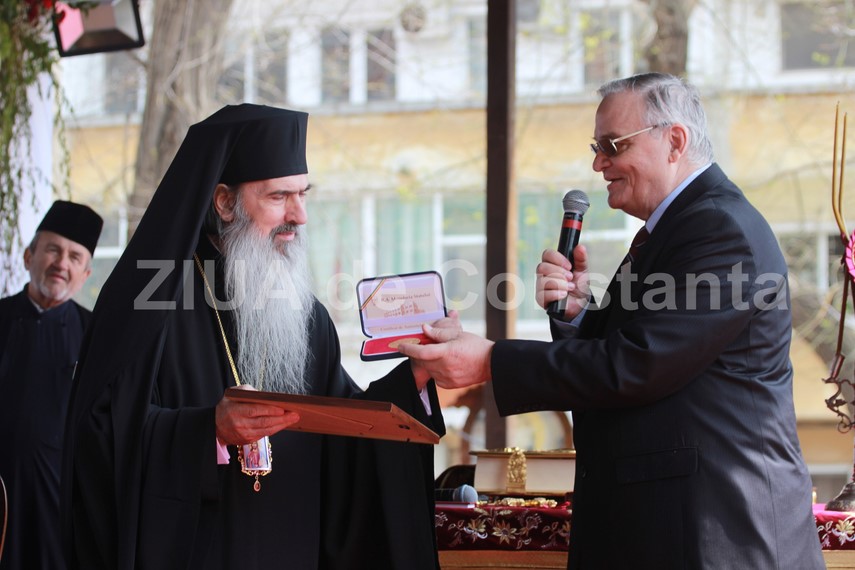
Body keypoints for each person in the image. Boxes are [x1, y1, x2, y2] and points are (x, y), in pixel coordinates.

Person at [400, 73, 825, 569]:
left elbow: (637, 365)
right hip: (665, 527)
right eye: (596, 147)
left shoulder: (718, 229)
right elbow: (639, 351)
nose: (598, 163)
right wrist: (579, 315)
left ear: (675, 141)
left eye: (613, 145)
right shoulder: (676, 227)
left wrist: (491, 360)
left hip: (715, 532)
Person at [60, 105, 451, 569]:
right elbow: (99, 438)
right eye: (279, 196)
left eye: (303, 194)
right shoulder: (147, 301)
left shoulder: (306, 316)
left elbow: (347, 440)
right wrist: (208, 431)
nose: (299, 215)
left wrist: (415, 378)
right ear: (224, 202)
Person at [0, 200, 103, 570]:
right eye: (53, 250)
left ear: (85, 274)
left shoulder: (96, 339)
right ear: (29, 256)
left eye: (75, 257)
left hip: (59, 512)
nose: (62, 263)